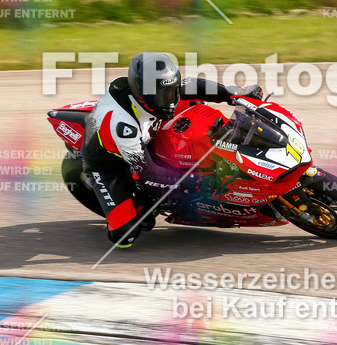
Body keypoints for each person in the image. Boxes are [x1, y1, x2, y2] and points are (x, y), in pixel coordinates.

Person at [82, 52, 261, 247]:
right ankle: (135, 200)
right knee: (125, 236)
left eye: (171, 90)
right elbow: (146, 172)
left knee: (195, 103)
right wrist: (194, 181)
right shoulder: (123, 126)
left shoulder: (155, 91)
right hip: (111, 165)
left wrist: (234, 95)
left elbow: (190, 85)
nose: (170, 100)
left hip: (148, 132)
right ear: (142, 93)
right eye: (163, 95)